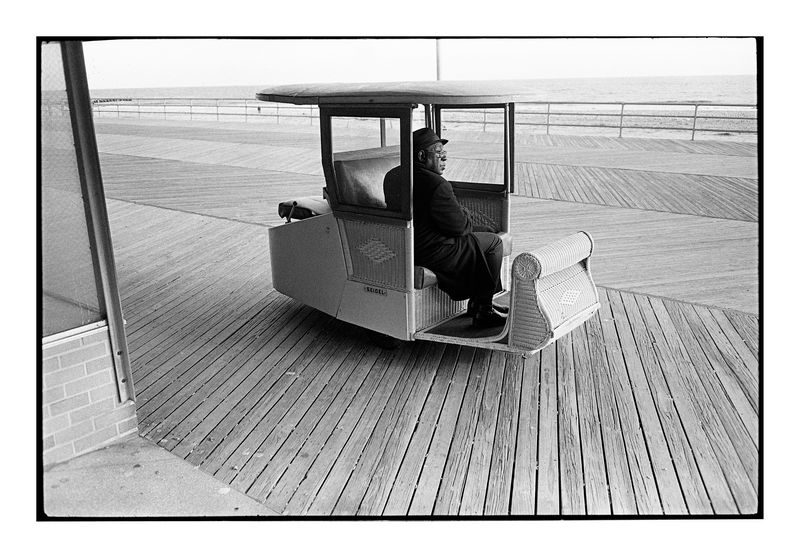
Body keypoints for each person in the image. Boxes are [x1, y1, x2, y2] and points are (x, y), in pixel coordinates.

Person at [384, 128, 507, 328]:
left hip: (407, 245)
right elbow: (459, 227)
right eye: (439, 153)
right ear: (421, 155)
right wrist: (465, 212)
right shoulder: (436, 184)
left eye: (445, 154)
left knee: (486, 230)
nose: (444, 158)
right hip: (433, 251)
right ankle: (483, 308)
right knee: (494, 242)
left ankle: (479, 303)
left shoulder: (393, 175)